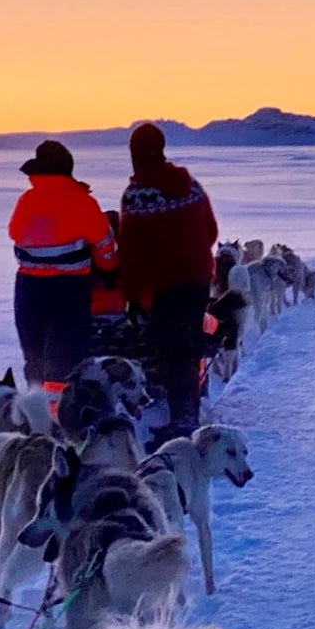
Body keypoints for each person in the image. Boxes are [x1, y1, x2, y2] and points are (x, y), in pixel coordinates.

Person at [118, 122, 218, 440]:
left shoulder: (137, 196)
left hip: (165, 285)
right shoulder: (191, 186)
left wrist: (131, 295)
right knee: (186, 349)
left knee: (171, 353)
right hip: (198, 278)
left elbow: (131, 252)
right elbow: (211, 231)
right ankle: (187, 414)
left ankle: (183, 425)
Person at [7, 140, 118, 397]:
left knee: (35, 354)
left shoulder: (26, 201)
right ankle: (61, 415)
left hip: (28, 288)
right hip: (69, 289)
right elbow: (105, 245)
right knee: (65, 357)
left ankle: (36, 416)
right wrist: (109, 270)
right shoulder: (82, 202)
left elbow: (14, 233)